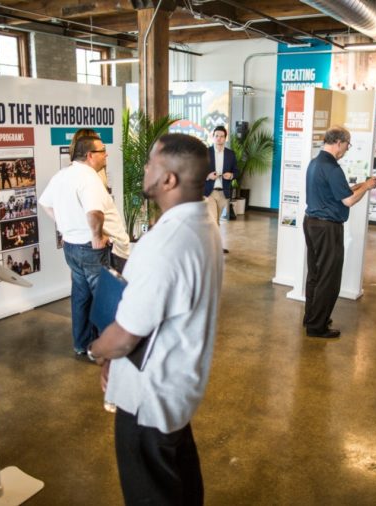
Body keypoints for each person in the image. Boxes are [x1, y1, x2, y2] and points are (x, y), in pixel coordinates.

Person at [89, 133, 223, 505]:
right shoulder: (204, 221)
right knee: (181, 487)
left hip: (148, 399)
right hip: (178, 390)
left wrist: (97, 351)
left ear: (169, 180)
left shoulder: (165, 242)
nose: (144, 168)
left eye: (151, 163)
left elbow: (124, 338)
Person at [39, 134, 131, 358]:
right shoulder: (89, 178)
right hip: (93, 249)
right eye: (102, 150)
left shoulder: (63, 175)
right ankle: (109, 350)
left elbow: (45, 203)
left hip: (72, 247)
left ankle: (82, 344)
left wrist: (66, 226)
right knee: (106, 299)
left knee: (81, 296)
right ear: (90, 155)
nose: (106, 154)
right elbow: (94, 212)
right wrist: (96, 235)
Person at [303, 126, 376, 338]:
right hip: (327, 228)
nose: (347, 148)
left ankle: (311, 318)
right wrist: (366, 188)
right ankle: (317, 326)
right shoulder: (333, 168)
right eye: (347, 144)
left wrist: (363, 184)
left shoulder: (316, 162)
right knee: (329, 278)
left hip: (311, 223)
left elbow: (338, 192)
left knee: (315, 274)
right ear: (338, 142)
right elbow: (349, 200)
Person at [204, 125, 238, 253]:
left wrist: (232, 175)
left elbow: (236, 171)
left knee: (217, 220)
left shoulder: (230, 154)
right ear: (213, 137)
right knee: (213, 220)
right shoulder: (206, 153)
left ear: (225, 138)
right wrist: (207, 176)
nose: (219, 138)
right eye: (216, 136)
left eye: (222, 136)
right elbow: (198, 170)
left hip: (223, 193)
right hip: (210, 192)